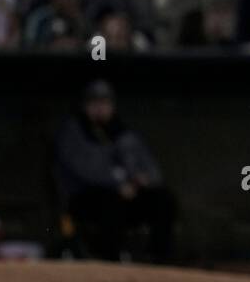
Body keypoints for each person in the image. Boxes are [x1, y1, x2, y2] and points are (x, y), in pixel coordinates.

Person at [54, 80, 176, 262]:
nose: (99, 108)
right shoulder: (74, 131)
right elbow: (86, 170)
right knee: (110, 203)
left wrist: (142, 180)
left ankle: (158, 260)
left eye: (104, 103)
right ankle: (110, 261)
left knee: (163, 199)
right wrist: (118, 184)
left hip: (127, 195)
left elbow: (152, 170)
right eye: (94, 103)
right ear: (85, 106)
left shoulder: (123, 132)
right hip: (87, 197)